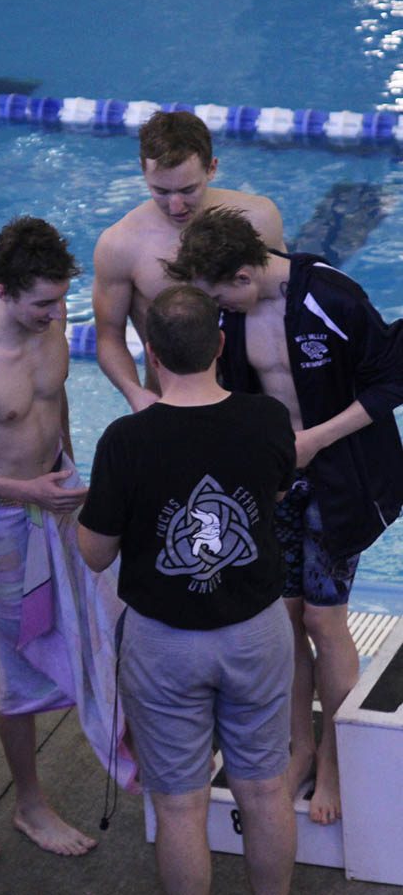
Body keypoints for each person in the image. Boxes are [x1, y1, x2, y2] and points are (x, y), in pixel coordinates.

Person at [165, 206, 403, 825]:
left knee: (325, 619)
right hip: (276, 483)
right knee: (284, 617)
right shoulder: (226, 313)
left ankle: (337, 762)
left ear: (247, 274)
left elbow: (390, 380)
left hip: (340, 478)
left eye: (226, 299)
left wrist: (318, 438)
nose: (224, 313)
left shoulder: (330, 296)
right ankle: (301, 747)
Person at [0, 216, 134, 857]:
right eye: (43, 303)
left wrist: (64, 468)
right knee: (20, 665)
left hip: (58, 496)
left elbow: (56, 402)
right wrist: (26, 492)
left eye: (61, 299)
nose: (55, 314)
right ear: (2, 291)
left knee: (108, 619)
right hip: (3, 526)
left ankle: (124, 743)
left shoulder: (49, 336)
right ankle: (31, 805)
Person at [78, 285, 297, 895]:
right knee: (265, 788)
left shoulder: (126, 441)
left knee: (179, 806)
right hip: (255, 632)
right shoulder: (266, 418)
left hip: (164, 643)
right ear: (221, 345)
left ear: (150, 351)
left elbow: (95, 554)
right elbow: (274, 497)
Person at [92, 109, 285, 411]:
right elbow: (109, 336)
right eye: (161, 191)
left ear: (212, 169)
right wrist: (135, 394)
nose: (176, 205)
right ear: (144, 172)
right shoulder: (120, 244)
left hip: (255, 400)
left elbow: (285, 306)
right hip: (172, 403)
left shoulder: (259, 219)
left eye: (187, 190)